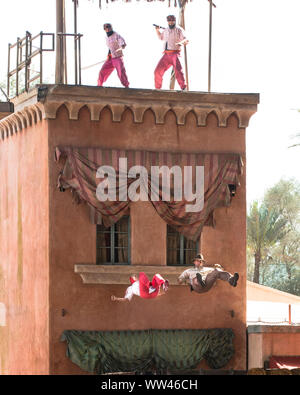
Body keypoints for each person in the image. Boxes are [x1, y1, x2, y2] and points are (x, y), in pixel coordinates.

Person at [154, 15, 188, 90]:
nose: (170, 22)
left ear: (174, 21)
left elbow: (185, 40)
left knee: (178, 71)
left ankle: (183, 88)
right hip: (166, 54)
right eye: (169, 21)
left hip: (175, 53)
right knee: (157, 71)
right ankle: (157, 89)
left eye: (172, 21)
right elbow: (161, 37)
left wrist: (180, 43)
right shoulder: (165, 30)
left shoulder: (179, 30)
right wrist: (157, 30)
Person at [97, 23, 130, 88]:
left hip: (117, 57)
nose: (109, 28)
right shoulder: (106, 37)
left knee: (121, 71)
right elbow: (110, 48)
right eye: (107, 27)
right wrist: (108, 55)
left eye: (110, 27)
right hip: (110, 57)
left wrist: (122, 44)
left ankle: (126, 86)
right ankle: (99, 85)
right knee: (102, 71)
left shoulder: (116, 35)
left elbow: (121, 40)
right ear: (105, 29)